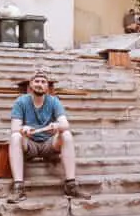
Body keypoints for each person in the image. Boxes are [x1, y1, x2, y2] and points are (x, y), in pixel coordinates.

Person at [6, 70, 87, 203]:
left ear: (47, 86)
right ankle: (18, 187)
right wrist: (23, 129)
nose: (40, 84)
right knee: (15, 137)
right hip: (30, 143)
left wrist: (57, 125)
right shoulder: (21, 101)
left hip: (49, 144)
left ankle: (71, 185)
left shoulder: (54, 101)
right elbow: (15, 128)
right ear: (30, 85)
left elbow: (65, 124)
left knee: (66, 134)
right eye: (36, 81)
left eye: (43, 82)